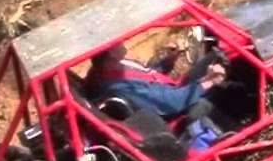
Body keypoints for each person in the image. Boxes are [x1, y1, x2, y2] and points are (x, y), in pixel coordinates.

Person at [85, 42, 226, 120]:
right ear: (111, 52)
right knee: (227, 89)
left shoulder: (113, 66)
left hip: (173, 91)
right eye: (117, 41)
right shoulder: (120, 87)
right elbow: (172, 103)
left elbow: (147, 75)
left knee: (218, 55)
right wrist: (209, 82)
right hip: (176, 108)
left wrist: (169, 60)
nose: (122, 40)